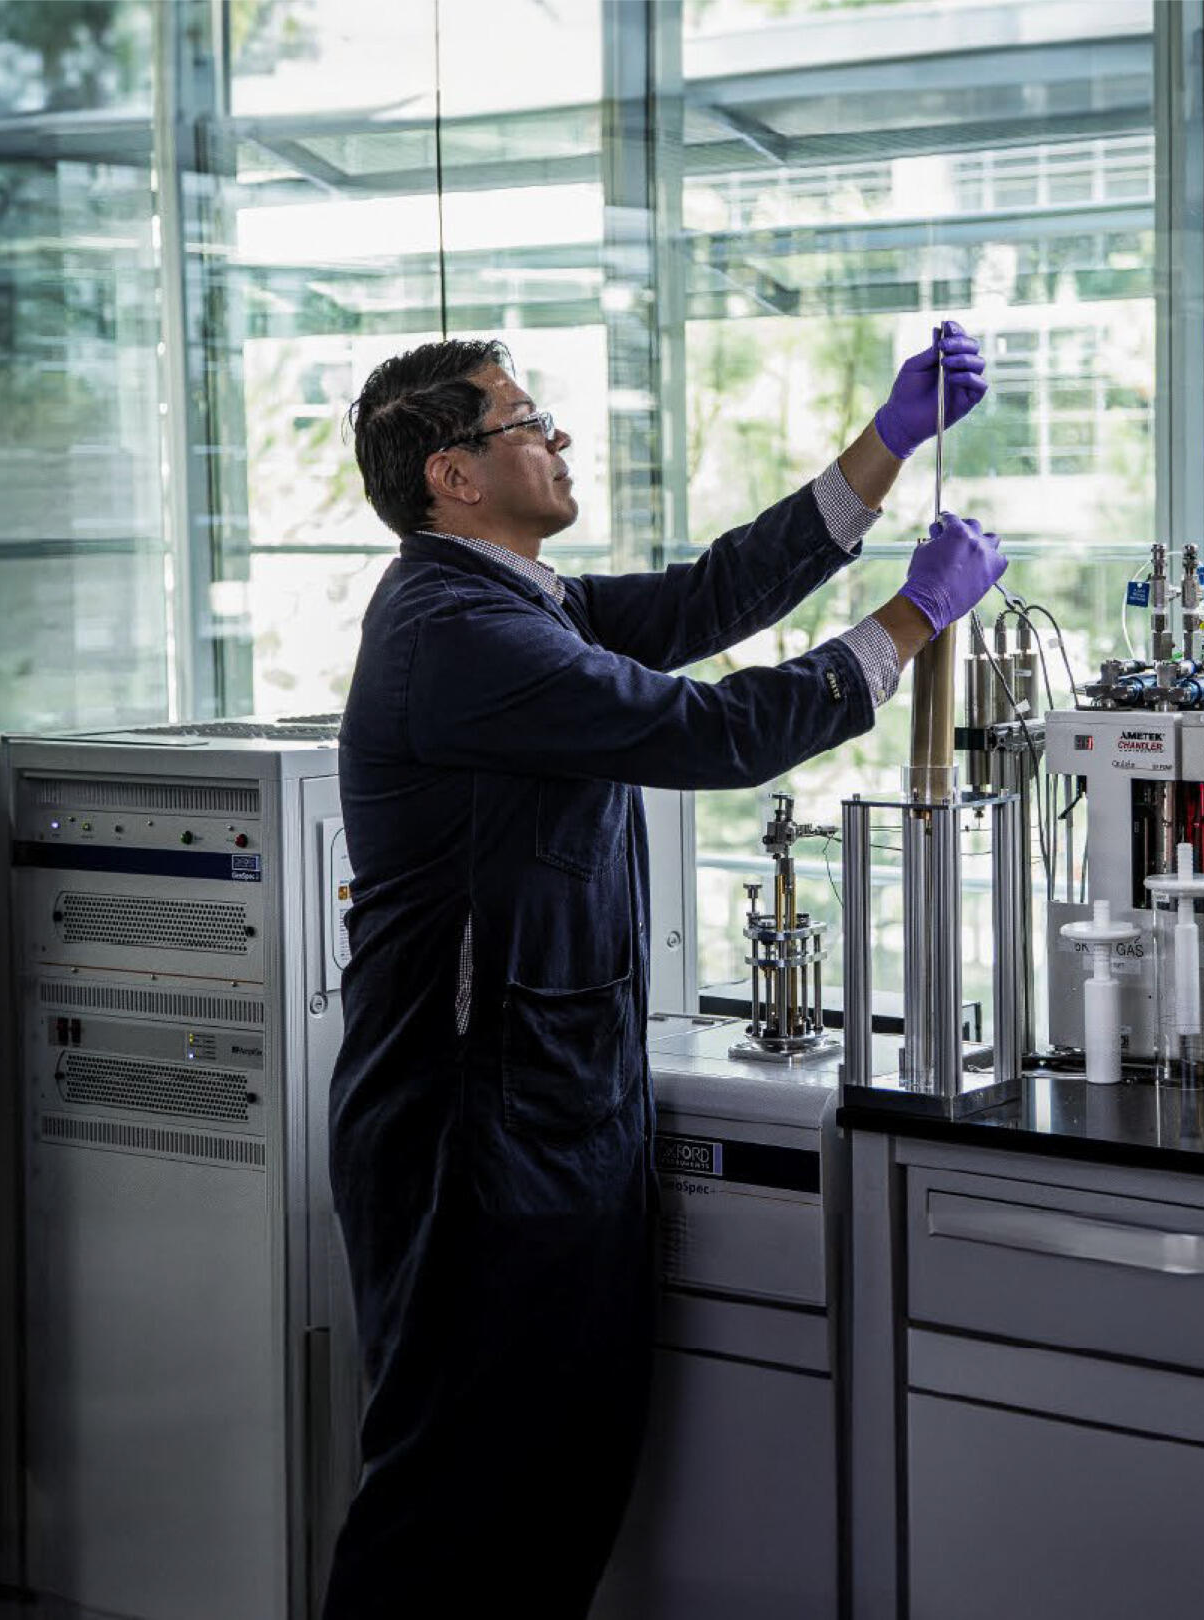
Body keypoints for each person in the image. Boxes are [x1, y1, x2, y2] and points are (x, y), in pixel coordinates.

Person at [322, 328, 1004, 1617]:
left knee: (554, 1488)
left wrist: (890, 440)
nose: (555, 439)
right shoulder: (455, 631)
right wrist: (916, 616)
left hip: (552, 1110)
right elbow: (714, 731)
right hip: (468, 1129)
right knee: (452, 1503)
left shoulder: (526, 601)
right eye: (524, 421)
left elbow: (707, 599)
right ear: (452, 475)